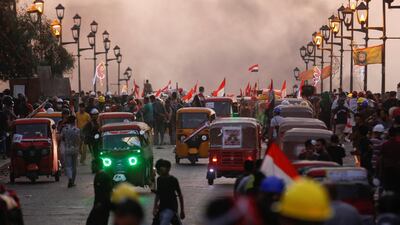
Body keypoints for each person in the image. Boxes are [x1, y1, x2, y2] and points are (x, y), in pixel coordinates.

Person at [153, 159, 185, 225]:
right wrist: (155, 207)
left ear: (168, 169)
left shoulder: (173, 180)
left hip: (172, 207)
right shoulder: (159, 180)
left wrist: (182, 210)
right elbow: (158, 194)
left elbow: (180, 195)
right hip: (162, 207)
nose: (158, 172)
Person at [60, 115, 81, 188]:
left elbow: (62, 138)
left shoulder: (64, 129)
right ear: (74, 121)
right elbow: (78, 140)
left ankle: (70, 178)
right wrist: (79, 148)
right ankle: (73, 181)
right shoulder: (77, 130)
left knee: (68, 166)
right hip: (75, 149)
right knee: (74, 166)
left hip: (67, 148)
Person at [379, 126, 400, 193]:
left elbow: (381, 156)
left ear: (388, 134)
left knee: (388, 188)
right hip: (397, 168)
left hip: (387, 169)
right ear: (396, 134)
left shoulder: (385, 144)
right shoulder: (398, 144)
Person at [82, 108, 101, 173]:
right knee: (94, 156)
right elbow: (84, 131)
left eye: (96, 114)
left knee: (99, 155)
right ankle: (95, 168)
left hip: (100, 141)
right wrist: (90, 136)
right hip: (92, 142)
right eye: (94, 114)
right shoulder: (89, 124)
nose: (95, 116)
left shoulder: (100, 122)